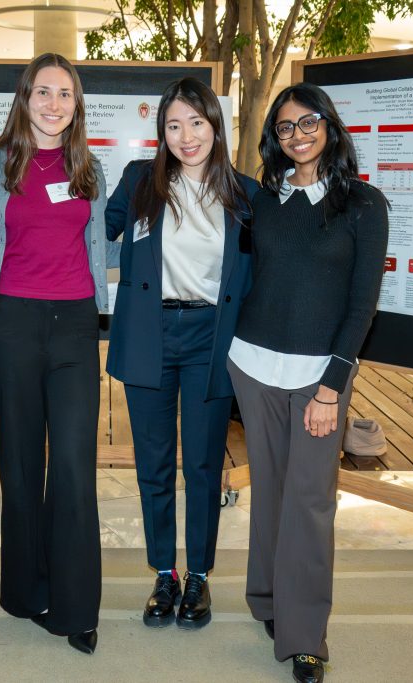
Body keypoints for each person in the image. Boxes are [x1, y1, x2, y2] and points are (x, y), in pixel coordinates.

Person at [226, 82, 389, 683]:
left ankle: (304, 635)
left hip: (318, 378)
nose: (297, 135)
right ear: (276, 137)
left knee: (311, 503)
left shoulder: (364, 204)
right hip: (253, 365)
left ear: (329, 125)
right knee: (269, 491)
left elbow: (362, 307)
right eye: (285, 127)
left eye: (307, 122)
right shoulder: (261, 201)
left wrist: (331, 388)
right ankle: (267, 600)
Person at [0, 52, 116, 655]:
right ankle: (26, 591)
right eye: (43, 92)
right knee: (21, 462)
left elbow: (100, 244)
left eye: (65, 93)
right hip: (10, 322)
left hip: (76, 324)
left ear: (76, 103)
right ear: (24, 99)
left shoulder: (90, 167)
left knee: (77, 467)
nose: (54, 104)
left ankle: (77, 605)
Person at [105, 77, 257, 630]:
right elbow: (96, 231)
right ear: (161, 131)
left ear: (215, 126)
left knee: (201, 463)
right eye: (174, 125)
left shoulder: (245, 192)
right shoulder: (140, 181)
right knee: (153, 464)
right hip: (149, 333)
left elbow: (264, 271)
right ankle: (164, 573)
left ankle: (199, 577)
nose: (186, 136)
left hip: (211, 339)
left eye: (196, 122)